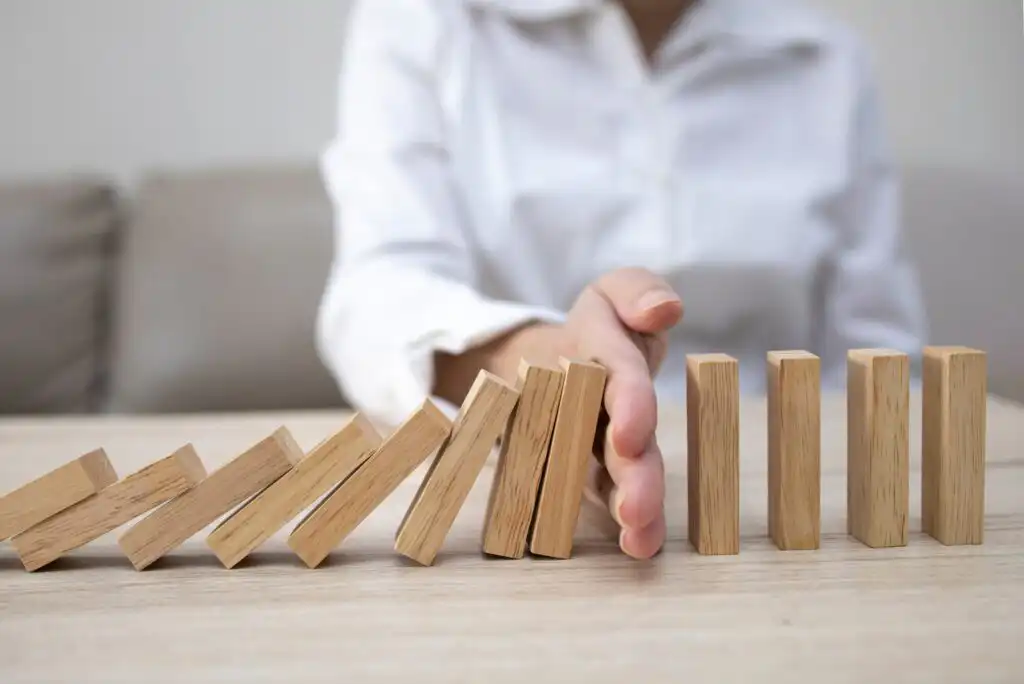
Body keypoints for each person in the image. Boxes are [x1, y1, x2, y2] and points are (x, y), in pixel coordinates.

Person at [314, 0, 927, 560]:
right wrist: (542, 359)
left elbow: (881, 356)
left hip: (786, 515)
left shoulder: (827, 56)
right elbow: (377, 294)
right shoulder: (424, 19)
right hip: (518, 489)